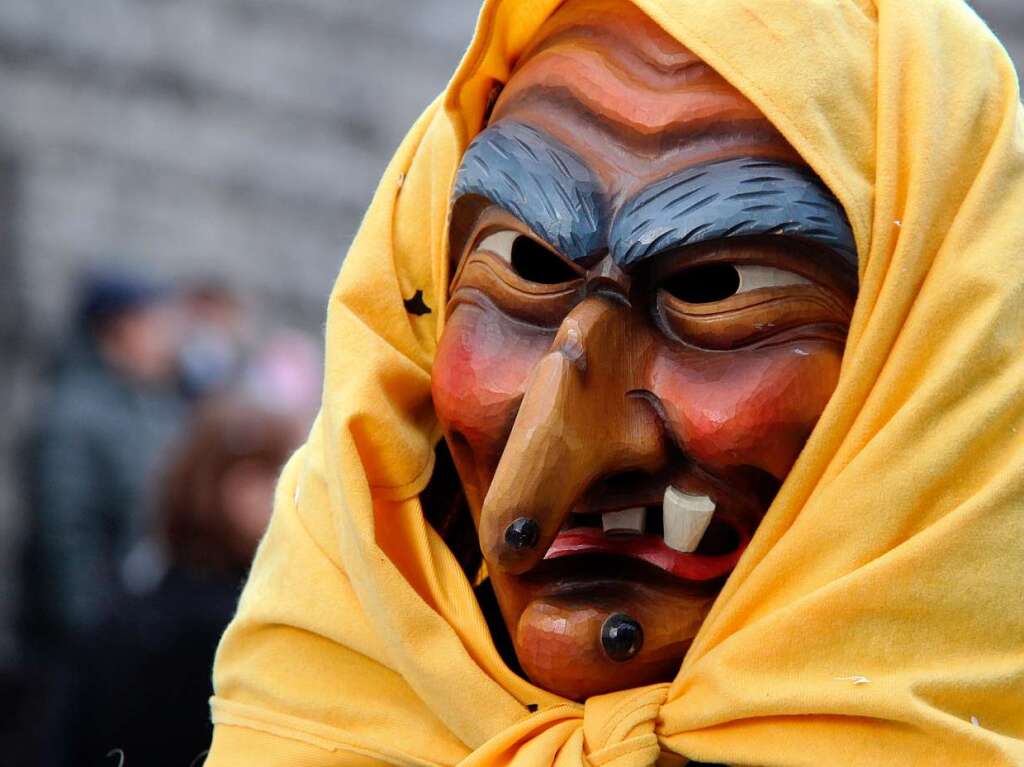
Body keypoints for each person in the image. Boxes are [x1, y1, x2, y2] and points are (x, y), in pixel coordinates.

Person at [206, 1, 1024, 765]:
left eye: (718, 287)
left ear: (932, 371)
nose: (563, 436)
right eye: (529, 266)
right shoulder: (309, 710)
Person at [66, 399, 299, 767]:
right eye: (255, 480)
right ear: (208, 485)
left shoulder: (274, 604)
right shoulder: (163, 617)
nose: (272, 501)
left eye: (281, 479)